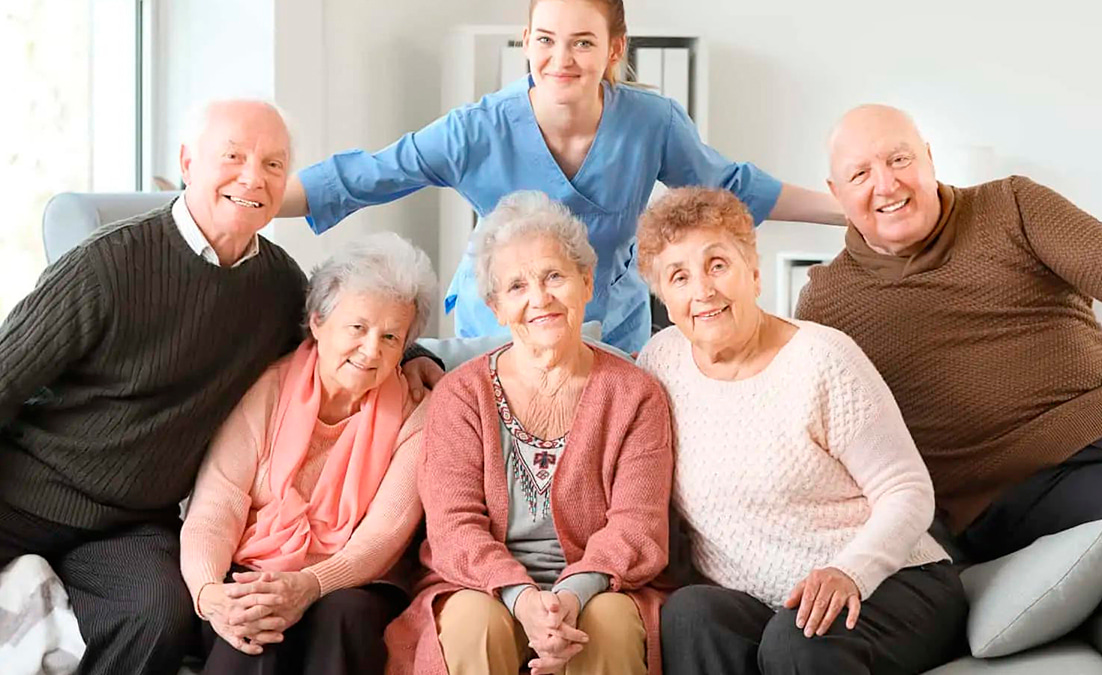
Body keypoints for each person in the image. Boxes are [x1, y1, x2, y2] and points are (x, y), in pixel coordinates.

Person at [277, 0, 843, 354]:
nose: (561, 59)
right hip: (499, 326)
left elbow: (733, 187)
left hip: (609, 325)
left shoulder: (652, 123)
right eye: (545, 40)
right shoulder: (477, 130)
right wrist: (250, 202)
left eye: (583, 43)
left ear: (614, 49)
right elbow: (367, 176)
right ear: (526, 41)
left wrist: (850, 211)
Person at [795, 104, 1102, 561]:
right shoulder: (828, 304)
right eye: (860, 174)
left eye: (899, 159)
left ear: (929, 158)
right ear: (836, 193)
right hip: (1014, 487)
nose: (887, 185)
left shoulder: (1011, 204)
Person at [0, 100, 307, 674]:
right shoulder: (105, 265)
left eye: (273, 164)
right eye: (233, 157)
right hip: (23, 492)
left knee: (160, 618)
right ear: (188, 162)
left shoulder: (281, 286)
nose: (253, 178)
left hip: (130, 522)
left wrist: (417, 361)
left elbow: (344, 331)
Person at [636, 187, 965, 675]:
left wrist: (849, 572)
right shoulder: (660, 363)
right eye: (679, 277)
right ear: (664, 298)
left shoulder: (823, 360)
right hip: (767, 603)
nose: (702, 290)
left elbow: (908, 491)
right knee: (689, 615)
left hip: (889, 581)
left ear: (753, 272)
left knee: (799, 641)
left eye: (717, 265)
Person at [385, 191, 673, 675]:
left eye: (554, 276)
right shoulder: (461, 395)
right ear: (496, 308)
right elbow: (454, 526)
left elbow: (636, 526)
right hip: (479, 585)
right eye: (517, 286)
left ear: (586, 282)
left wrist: (570, 596)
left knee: (607, 625)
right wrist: (521, 597)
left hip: (603, 586)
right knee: (473, 625)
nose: (539, 298)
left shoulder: (635, 394)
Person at [180, 233, 437, 674]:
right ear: (318, 322)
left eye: (391, 336)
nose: (371, 350)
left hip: (358, 583)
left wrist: (309, 584)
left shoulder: (419, 412)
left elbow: (384, 534)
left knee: (344, 616)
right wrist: (210, 593)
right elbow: (216, 506)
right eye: (357, 328)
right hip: (253, 567)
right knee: (254, 621)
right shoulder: (266, 390)